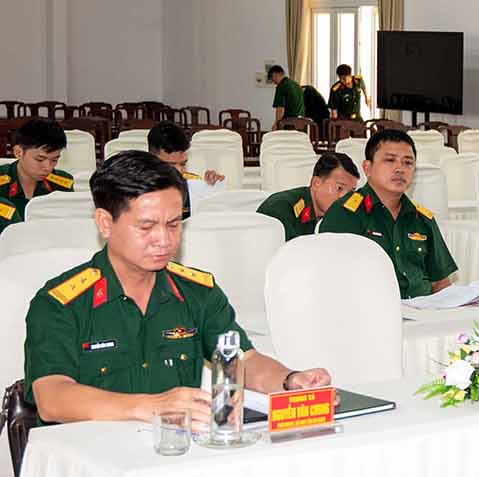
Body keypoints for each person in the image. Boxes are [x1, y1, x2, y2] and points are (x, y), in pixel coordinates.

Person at [22, 152, 332, 424]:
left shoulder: (197, 292)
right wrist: (150, 407)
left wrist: (290, 381)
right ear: (105, 223)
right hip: (92, 455)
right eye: (146, 226)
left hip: (177, 450)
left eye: (174, 224)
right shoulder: (62, 302)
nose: (164, 239)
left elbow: (243, 360)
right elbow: (52, 397)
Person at [319, 129, 457, 297]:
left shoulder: (422, 219)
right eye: (390, 160)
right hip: (370, 309)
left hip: (423, 310)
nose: (400, 169)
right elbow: (332, 281)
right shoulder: (345, 214)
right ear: (367, 168)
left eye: (408, 163)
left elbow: (440, 283)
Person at [256, 153, 362, 240]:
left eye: (351, 192)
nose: (345, 198)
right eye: (339, 188)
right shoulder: (281, 208)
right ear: (316, 183)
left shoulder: (346, 213)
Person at [0, 118, 74, 232]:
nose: (48, 168)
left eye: (54, 160)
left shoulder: (62, 184)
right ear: (18, 152)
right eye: (40, 159)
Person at [148, 121, 226, 220]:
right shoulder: (135, 187)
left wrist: (213, 186)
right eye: (170, 165)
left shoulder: (192, 185)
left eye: (183, 164)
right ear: (151, 159)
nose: (179, 171)